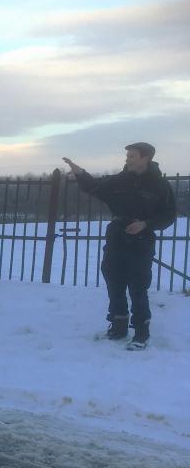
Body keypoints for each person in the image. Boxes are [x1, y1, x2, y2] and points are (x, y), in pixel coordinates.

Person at [63, 143, 176, 349]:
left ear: (146, 158)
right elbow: (94, 188)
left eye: (132, 156)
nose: (128, 159)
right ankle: (118, 326)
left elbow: (168, 216)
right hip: (116, 237)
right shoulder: (119, 180)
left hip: (141, 241)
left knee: (138, 287)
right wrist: (79, 171)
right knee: (114, 282)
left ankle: (141, 333)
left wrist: (145, 224)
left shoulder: (160, 185)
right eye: (127, 155)